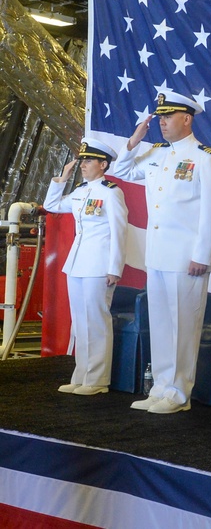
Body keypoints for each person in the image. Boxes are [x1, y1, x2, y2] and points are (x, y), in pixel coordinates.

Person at [111, 90, 211, 414]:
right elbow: (122, 170)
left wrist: (202, 255)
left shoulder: (206, 158)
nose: (162, 122)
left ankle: (179, 394)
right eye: (160, 116)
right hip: (158, 255)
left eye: (168, 116)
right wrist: (133, 141)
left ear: (187, 118)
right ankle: (161, 386)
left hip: (186, 258)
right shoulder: (156, 153)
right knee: (162, 325)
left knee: (183, 327)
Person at [44, 138, 128, 396]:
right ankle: (81, 375)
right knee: (80, 323)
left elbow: (119, 232)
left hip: (99, 266)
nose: (82, 164)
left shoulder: (111, 192)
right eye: (82, 159)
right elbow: (52, 206)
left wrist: (114, 267)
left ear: (103, 164)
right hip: (78, 264)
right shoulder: (81, 191)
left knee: (96, 321)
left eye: (88, 160)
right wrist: (61, 179)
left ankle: (98, 380)